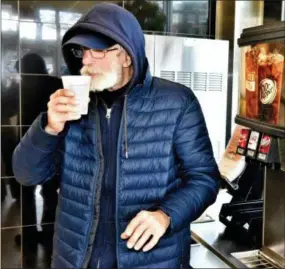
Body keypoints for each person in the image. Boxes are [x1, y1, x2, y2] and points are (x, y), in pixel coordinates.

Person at [12, 3, 220, 269]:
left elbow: (204, 178)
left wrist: (166, 216)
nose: (85, 61)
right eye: (82, 51)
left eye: (97, 51)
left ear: (125, 55)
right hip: (76, 259)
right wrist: (49, 127)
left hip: (152, 260)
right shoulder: (70, 103)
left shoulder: (177, 102)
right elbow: (26, 174)